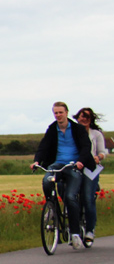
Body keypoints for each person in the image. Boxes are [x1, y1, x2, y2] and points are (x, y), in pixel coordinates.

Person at [32, 101, 95, 250]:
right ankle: (51, 208)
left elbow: (86, 147)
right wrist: (36, 161)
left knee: (70, 197)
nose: (58, 115)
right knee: (47, 180)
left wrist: (80, 161)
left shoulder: (78, 129)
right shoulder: (53, 129)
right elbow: (44, 146)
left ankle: (74, 233)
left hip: (73, 165)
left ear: (66, 112)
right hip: (57, 164)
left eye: (60, 112)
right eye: (55, 113)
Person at [75, 107, 106, 246]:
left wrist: (98, 157)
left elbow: (102, 151)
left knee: (88, 198)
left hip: (90, 168)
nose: (84, 119)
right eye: (82, 116)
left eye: (87, 117)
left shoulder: (96, 134)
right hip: (75, 166)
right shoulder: (72, 132)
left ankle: (90, 231)